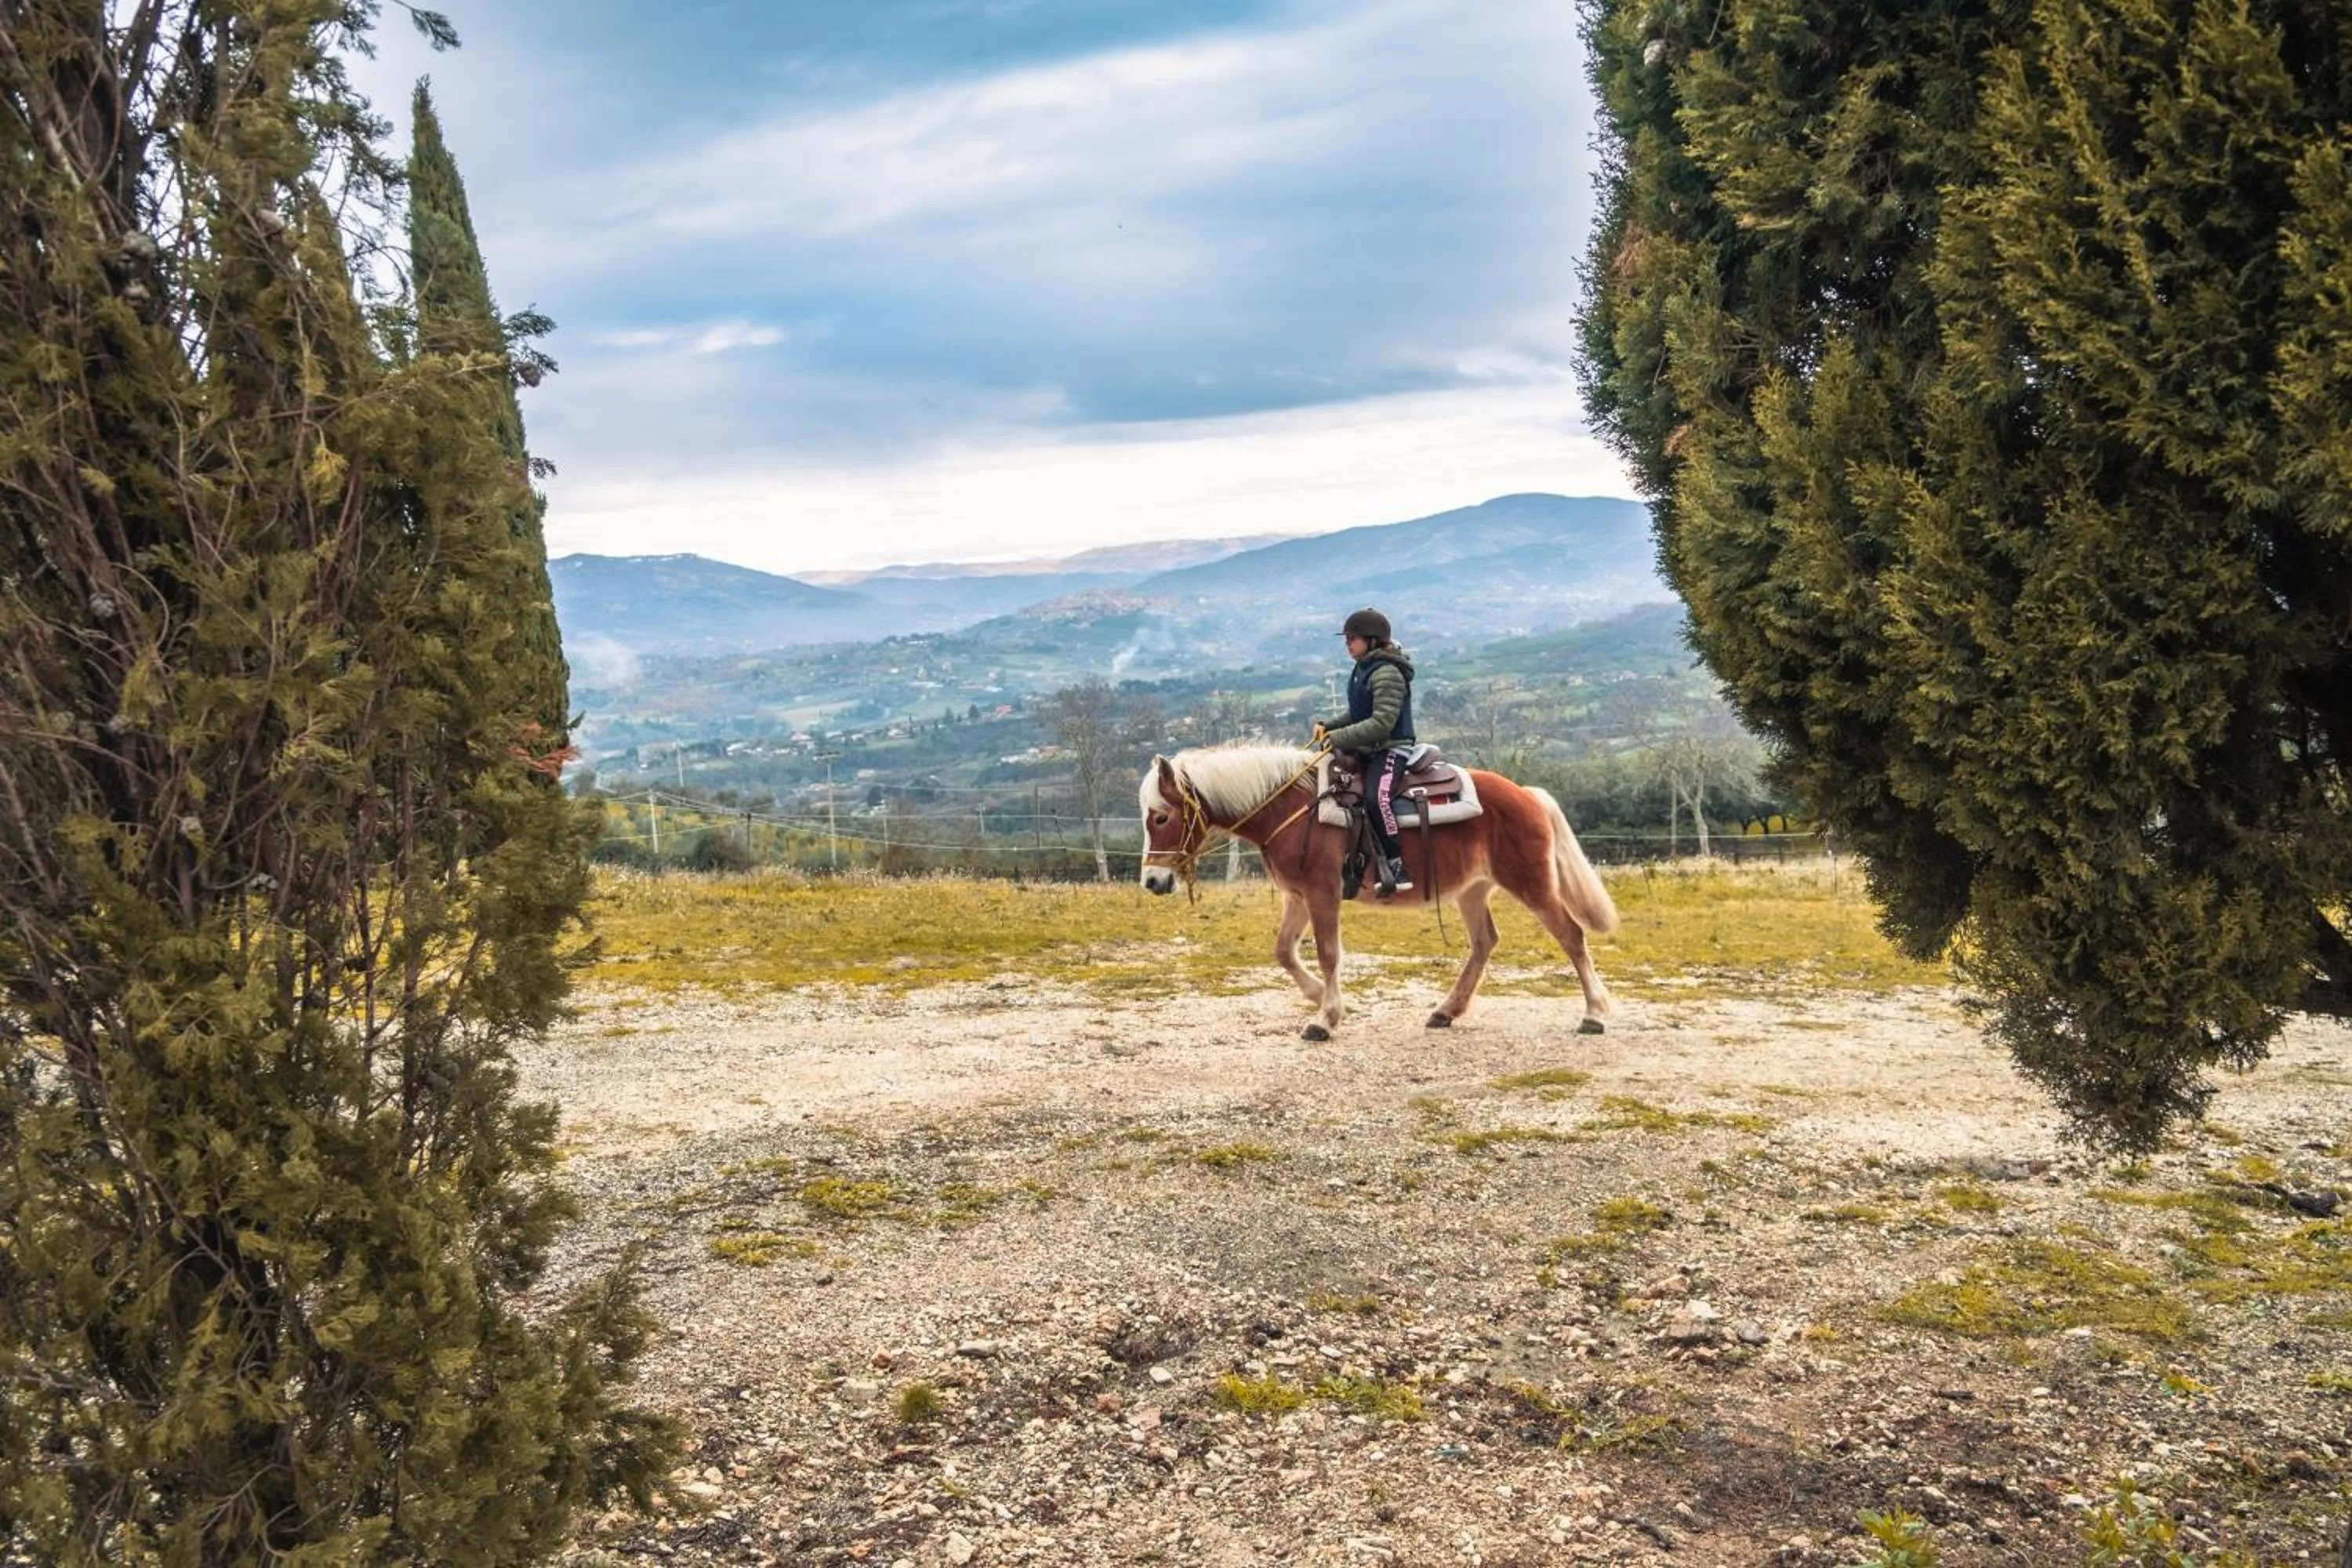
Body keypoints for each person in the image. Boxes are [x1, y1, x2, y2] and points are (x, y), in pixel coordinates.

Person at [1312, 608, 1417, 897]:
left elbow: (1382, 723)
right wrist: (1328, 726)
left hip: (1391, 749)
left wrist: (1338, 736)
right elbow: (1359, 713)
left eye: (1352, 638)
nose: (1348, 643)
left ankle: (1397, 866)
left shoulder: (1388, 673)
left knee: (1376, 797)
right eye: (1346, 638)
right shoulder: (1363, 668)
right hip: (1370, 748)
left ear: (1372, 640)